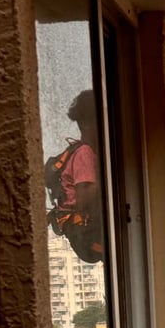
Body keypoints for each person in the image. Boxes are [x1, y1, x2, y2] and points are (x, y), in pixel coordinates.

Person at [49, 90, 103, 262]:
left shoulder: (81, 151)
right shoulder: (84, 153)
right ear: (87, 124)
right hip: (88, 233)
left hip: (83, 233)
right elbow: (84, 197)